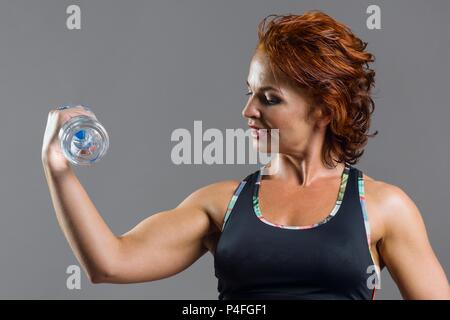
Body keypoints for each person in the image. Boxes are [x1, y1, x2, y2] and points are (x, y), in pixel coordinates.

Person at [41, 10, 450, 300]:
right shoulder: (222, 204)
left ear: (324, 110)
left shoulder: (383, 207)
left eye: (269, 98)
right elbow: (109, 263)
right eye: (249, 92)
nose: (248, 110)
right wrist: (57, 167)